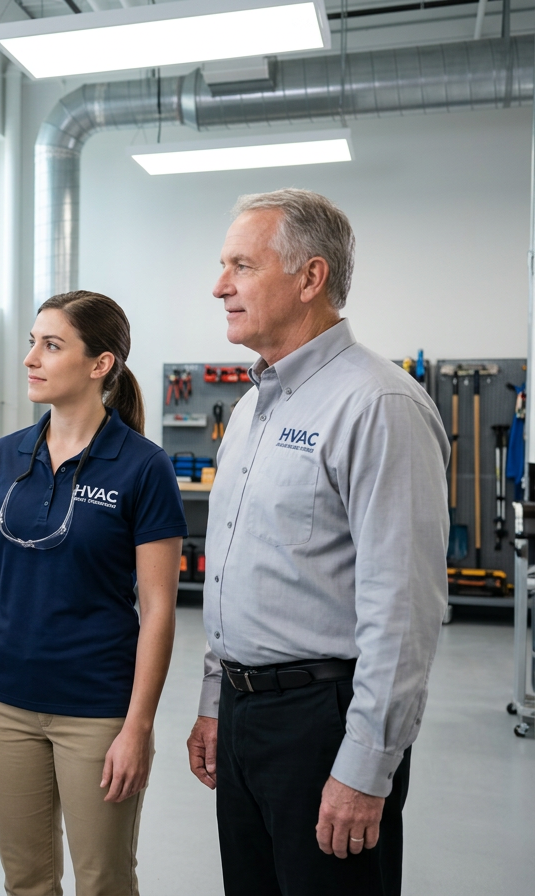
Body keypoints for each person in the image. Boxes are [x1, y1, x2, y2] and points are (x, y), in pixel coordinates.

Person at [185, 189, 449, 896]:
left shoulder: (379, 405)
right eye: (222, 266)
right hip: (245, 718)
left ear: (311, 278)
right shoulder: (250, 410)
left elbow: (404, 611)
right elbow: (236, 568)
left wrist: (366, 767)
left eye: (241, 265)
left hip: (321, 724)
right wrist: (217, 702)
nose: (220, 286)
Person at [0, 291, 186, 896]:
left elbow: (157, 610)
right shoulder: (6, 457)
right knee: (25, 879)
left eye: (51, 345)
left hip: (98, 709)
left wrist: (137, 727)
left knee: (103, 880)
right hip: (5, 704)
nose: (31, 358)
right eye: (31, 342)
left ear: (100, 364)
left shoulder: (142, 467)